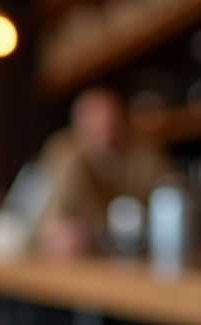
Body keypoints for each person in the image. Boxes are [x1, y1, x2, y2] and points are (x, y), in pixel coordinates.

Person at [33, 87, 175, 258]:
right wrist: (52, 233)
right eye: (94, 129)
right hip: (83, 260)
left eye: (112, 126)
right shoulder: (63, 154)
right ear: (78, 127)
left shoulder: (145, 154)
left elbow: (174, 199)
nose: (106, 138)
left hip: (140, 258)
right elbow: (40, 220)